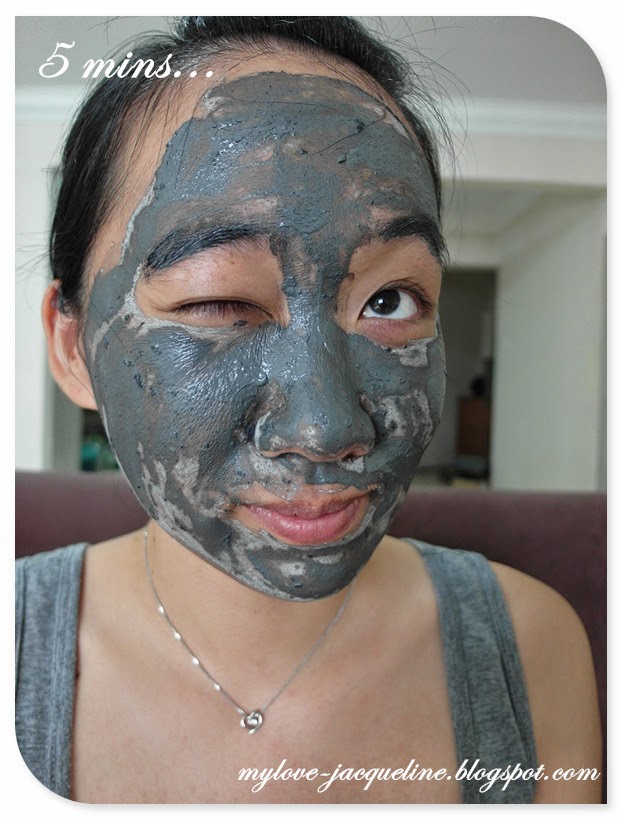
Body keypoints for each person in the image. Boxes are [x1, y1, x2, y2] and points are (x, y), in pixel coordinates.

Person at [15, 16, 601, 804]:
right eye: (218, 301)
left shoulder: (530, 650)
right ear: (73, 347)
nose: (328, 431)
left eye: (390, 299)